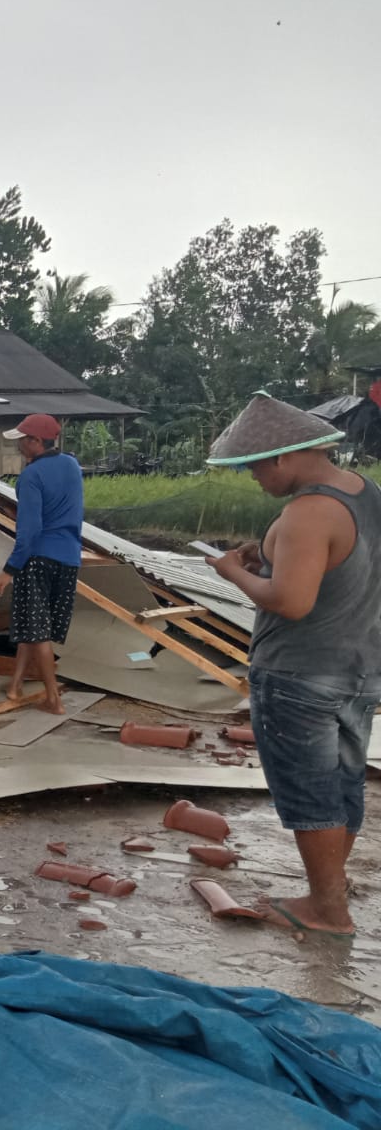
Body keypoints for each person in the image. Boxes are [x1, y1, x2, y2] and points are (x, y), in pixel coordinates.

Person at [204, 392, 381, 940]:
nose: (255, 477)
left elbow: (291, 602)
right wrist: (271, 557)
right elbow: (339, 571)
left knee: (309, 790)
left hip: (301, 674)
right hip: (357, 666)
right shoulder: (366, 494)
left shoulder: (308, 511)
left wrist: (231, 572)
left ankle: (327, 909)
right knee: (344, 781)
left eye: (255, 466)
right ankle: (329, 889)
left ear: (282, 456)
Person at [0, 413, 84, 715]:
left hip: (38, 558)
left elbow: (28, 531)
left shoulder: (31, 476)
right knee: (34, 626)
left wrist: (8, 570)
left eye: (23, 441)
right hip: (69, 558)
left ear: (35, 442)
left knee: (38, 630)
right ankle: (15, 685)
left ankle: (53, 698)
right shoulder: (71, 465)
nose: (19, 447)